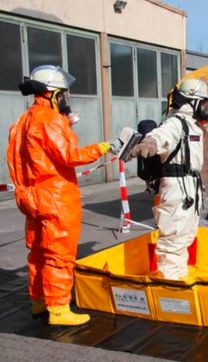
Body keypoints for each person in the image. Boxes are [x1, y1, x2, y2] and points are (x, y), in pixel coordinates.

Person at [7, 65, 118, 326]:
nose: (66, 99)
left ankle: (38, 301)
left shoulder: (22, 122)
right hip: (56, 197)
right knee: (58, 253)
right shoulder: (50, 120)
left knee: (38, 252)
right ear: (52, 93)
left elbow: (20, 160)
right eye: (63, 94)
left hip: (31, 196)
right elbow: (70, 156)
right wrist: (103, 147)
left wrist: (65, 124)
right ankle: (58, 308)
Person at [130, 78, 208, 280]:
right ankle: (170, 288)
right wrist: (149, 143)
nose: (205, 108)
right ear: (191, 102)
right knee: (172, 242)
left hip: (189, 189)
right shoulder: (175, 123)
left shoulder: (191, 126)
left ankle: (178, 280)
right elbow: (161, 135)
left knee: (184, 239)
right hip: (177, 190)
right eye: (203, 103)